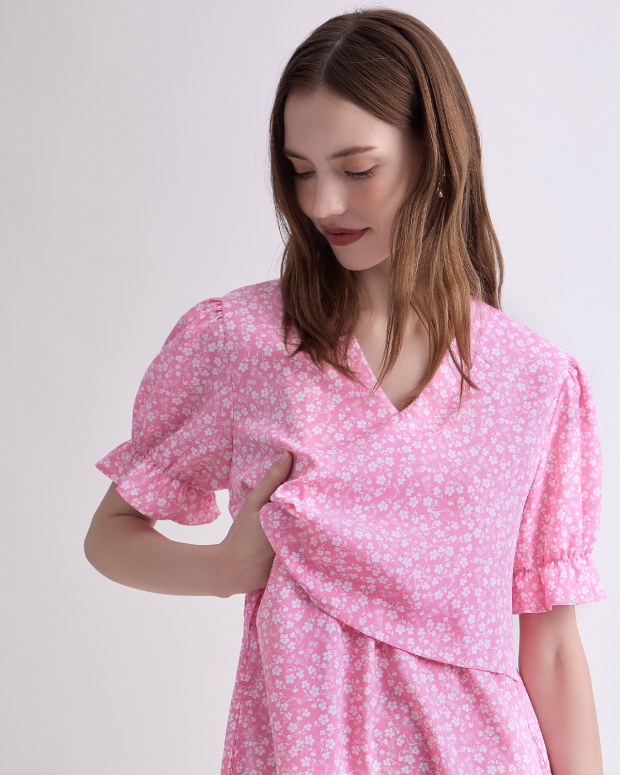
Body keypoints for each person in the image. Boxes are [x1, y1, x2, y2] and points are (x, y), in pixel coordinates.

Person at [84, 8, 607, 774]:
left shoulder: (536, 380)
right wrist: (225, 569)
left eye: (357, 169)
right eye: (301, 170)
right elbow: (109, 534)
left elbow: (553, 648)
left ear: (434, 153)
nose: (323, 203)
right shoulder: (241, 342)